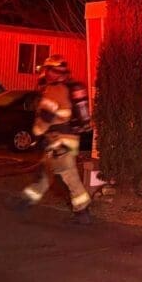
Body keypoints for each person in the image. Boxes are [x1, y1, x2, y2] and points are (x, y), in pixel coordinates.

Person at [14, 55, 93, 224]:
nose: (45, 73)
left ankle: (82, 212)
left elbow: (45, 117)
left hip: (58, 141)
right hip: (65, 140)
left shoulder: (55, 90)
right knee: (45, 172)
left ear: (51, 71)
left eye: (47, 70)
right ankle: (26, 200)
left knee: (69, 176)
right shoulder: (65, 88)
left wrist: (36, 133)